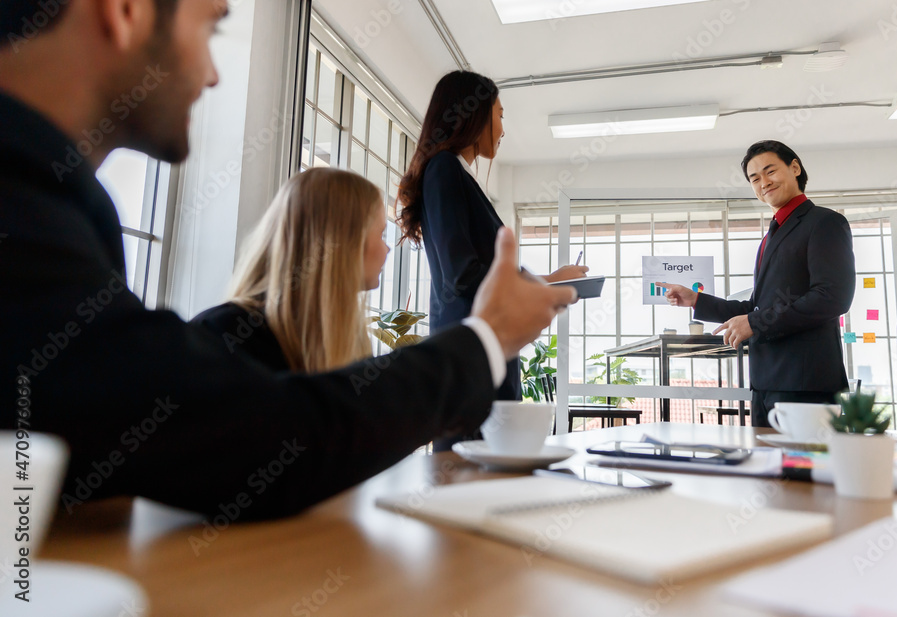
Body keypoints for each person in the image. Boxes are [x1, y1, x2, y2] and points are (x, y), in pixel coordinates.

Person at [0, 0, 577, 520]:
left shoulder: (59, 210)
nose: (214, 73)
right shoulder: (26, 213)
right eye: (211, 26)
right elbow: (258, 437)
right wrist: (485, 338)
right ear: (123, 10)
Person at [396, 70, 587, 448]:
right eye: (499, 115)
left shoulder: (453, 173)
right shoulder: (445, 168)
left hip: (480, 350)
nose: (502, 128)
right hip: (472, 354)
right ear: (475, 115)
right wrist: (543, 284)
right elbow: (462, 272)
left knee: (484, 476)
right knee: (471, 476)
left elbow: (475, 268)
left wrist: (548, 279)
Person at [663, 140, 855, 427]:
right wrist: (697, 300)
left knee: (802, 472)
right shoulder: (773, 235)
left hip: (805, 384)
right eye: (754, 178)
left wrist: (757, 322)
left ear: (794, 167)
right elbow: (758, 306)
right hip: (765, 382)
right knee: (766, 469)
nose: (763, 183)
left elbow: (832, 296)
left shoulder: (824, 223)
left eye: (770, 171)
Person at [193, 168, 390, 373]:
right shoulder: (223, 333)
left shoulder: (349, 339)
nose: (387, 248)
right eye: (381, 233)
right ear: (345, 241)